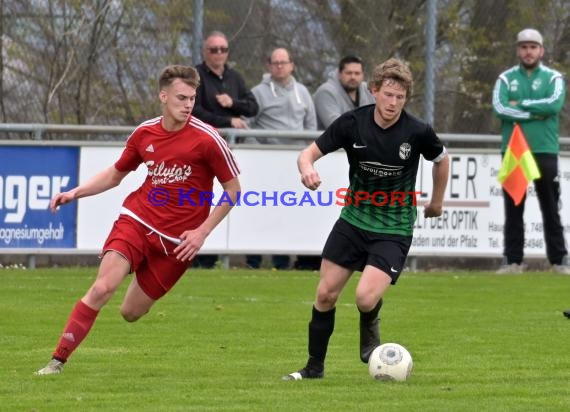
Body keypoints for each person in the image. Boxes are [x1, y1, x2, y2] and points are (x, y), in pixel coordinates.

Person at [35, 65, 241, 375]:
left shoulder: (208, 139)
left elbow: (233, 190)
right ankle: (57, 361)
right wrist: (75, 192)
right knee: (103, 287)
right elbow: (115, 175)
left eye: (192, 99)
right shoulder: (145, 133)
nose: (187, 105)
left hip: (177, 243)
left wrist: (202, 232)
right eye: (181, 98)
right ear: (163, 96)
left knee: (130, 312)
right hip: (137, 220)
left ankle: (140, 268)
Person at [283, 58, 449, 380]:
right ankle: (314, 368)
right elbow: (308, 154)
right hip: (354, 219)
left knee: (365, 297)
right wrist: (307, 169)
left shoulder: (417, 131)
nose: (393, 102)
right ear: (373, 91)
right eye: (388, 94)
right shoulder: (351, 123)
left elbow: (442, 160)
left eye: (400, 97)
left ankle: (370, 326)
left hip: (394, 227)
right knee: (325, 294)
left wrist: (437, 202)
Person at [492, 28, 570, 276]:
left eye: (533, 47)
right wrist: (536, 113)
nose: (528, 51)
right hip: (514, 150)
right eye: (524, 47)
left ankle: (559, 260)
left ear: (541, 50)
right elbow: (499, 107)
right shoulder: (505, 78)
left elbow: (555, 104)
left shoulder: (554, 78)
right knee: (513, 206)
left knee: (550, 206)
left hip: (544, 149)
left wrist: (521, 106)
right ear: (518, 50)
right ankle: (513, 261)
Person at [246, 47, 317, 270]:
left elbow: (311, 125)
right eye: (275, 63)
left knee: (290, 212)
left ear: (291, 65)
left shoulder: (303, 92)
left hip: (295, 164)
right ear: (269, 66)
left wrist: (307, 156)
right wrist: (258, 153)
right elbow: (247, 124)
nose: (279, 66)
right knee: (261, 210)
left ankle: (283, 260)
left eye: (283, 62)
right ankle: (253, 260)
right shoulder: (257, 92)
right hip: (266, 164)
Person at [192, 30, 258, 269]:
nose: (219, 54)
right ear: (204, 52)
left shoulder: (235, 78)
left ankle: (223, 254)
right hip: (204, 148)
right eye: (213, 49)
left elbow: (252, 107)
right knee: (203, 197)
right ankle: (201, 256)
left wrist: (234, 104)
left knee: (232, 196)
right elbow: (194, 111)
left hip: (231, 150)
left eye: (223, 49)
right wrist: (227, 121)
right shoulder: (196, 76)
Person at [313, 54, 375, 130]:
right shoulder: (325, 92)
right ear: (339, 74)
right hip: (334, 141)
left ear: (363, 75)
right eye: (349, 73)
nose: (353, 77)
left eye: (357, 73)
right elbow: (336, 126)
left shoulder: (368, 90)